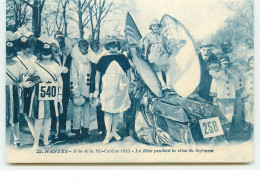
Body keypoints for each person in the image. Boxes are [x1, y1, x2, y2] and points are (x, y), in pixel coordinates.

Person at [29, 34, 64, 149]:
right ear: (40, 53)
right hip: (40, 95)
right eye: (44, 52)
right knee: (39, 119)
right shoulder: (35, 65)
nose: (46, 55)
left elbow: (60, 81)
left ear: (51, 53)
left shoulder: (55, 65)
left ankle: (46, 140)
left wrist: (59, 94)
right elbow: (28, 78)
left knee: (49, 119)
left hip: (52, 95)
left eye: (48, 52)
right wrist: (34, 80)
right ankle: (35, 143)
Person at [94, 36, 131, 144]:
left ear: (117, 46)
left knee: (116, 111)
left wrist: (128, 85)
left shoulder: (122, 58)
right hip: (108, 88)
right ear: (107, 46)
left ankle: (114, 131)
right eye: (111, 45)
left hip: (120, 87)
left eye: (115, 45)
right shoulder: (103, 58)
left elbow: (128, 72)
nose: (113, 47)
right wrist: (96, 88)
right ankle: (108, 134)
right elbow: (98, 74)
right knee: (108, 110)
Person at [6, 31, 34, 149]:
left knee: (14, 116)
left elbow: (21, 79)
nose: (7, 56)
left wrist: (25, 83)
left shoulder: (18, 64)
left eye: (9, 53)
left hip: (13, 90)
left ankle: (16, 140)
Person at [13, 26, 38, 138]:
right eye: (21, 47)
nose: (24, 49)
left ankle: (36, 135)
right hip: (21, 89)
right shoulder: (15, 59)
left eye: (25, 46)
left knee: (36, 113)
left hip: (34, 88)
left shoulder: (33, 58)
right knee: (26, 114)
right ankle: (34, 134)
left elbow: (38, 72)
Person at [70, 39, 96, 139]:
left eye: (85, 47)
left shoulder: (90, 58)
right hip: (78, 88)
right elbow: (74, 75)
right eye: (82, 47)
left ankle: (85, 128)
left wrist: (92, 89)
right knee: (77, 109)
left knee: (87, 109)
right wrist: (75, 90)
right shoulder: (75, 59)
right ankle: (76, 129)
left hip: (88, 88)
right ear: (79, 48)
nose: (84, 49)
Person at [209, 55, 240, 123]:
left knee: (230, 111)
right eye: (223, 61)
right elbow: (214, 84)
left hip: (231, 95)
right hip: (221, 95)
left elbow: (236, 82)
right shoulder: (216, 73)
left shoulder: (233, 72)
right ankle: (223, 126)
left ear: (228, 62)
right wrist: (214, 96)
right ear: (220, 63)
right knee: (221, 111)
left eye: (226, 61)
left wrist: (237, 92)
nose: (225, 63)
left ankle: (228, 124)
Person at [141, 19, 171, 90]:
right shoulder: (148, 36)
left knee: (167, 68)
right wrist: (145, 55)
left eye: (157, 26)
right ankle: (163, 84)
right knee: (158, 69)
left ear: (159, 27)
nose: (155, 28)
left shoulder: (162, 36)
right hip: (153, 53)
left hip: (163, 52)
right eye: (153, 26)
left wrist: (170, 49)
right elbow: (146, 46)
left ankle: (168, 84)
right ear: (151, 27)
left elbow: (167, 44)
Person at [53, 31, 72, 139]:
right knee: (53, 107)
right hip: (53, 85)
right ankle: (52, 130)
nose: (59, 41)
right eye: (57, 39)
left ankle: (62, 130)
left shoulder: (68, 55)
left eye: (61, 39)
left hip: (65, 85)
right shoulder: (50, 55)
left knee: (63, 107)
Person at [90, 41, 106, 138]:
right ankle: (100, 128)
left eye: (96, 45)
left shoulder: (104, 55)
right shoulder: (90, 56)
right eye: (93, 46)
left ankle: (109, 128)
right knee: (99, 106)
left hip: (105, 81)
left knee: (108, 105)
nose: (95, 47)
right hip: (95, 81)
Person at [241, 56, 254, 131]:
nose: (253, 65)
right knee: (247, 110)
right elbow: (242, 83)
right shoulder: (246, 73)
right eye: (251, 63)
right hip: (247, 94)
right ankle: (247, 125)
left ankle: (252, 125)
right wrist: (243, 91)